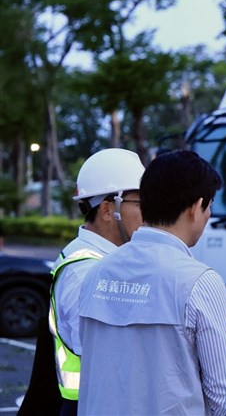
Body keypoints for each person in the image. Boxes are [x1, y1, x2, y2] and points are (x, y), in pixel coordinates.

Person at [77, 150, 226, 414]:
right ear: (196, 207)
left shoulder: (96, 272)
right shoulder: (199, 281)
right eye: (209, 206)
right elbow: (223, 396)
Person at [48, 148, 145, 416]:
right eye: (140, 203)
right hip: (90, 405)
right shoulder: (85, 269)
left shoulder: (106, 260)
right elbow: (101, 351)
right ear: (107, 209)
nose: (148, 214)